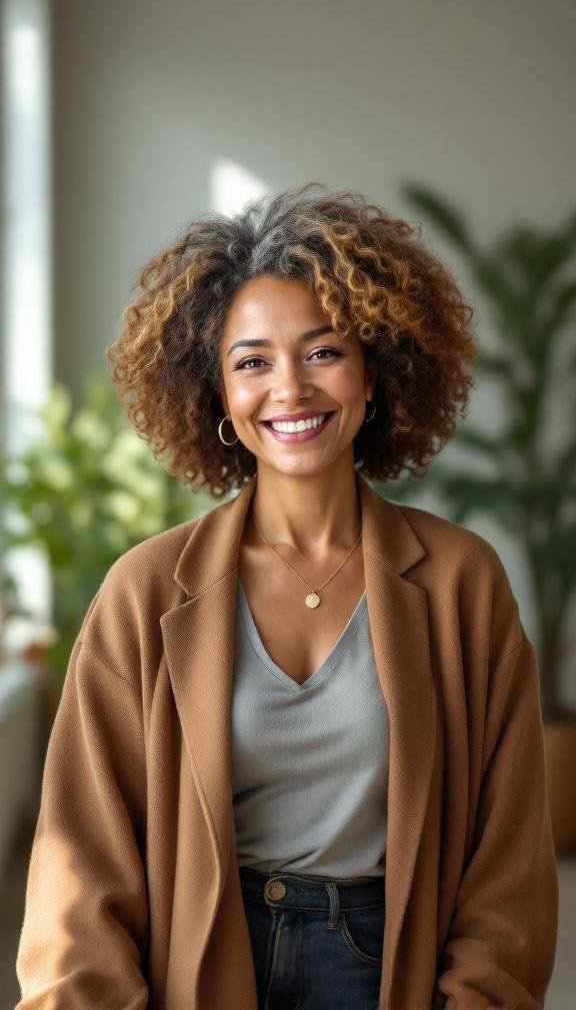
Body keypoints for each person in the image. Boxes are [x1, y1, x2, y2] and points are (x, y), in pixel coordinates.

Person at [16, 185, 558, 1009]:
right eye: (252, 362)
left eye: (322, 351)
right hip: (198, 967)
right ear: (220, 400)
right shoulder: (146, 592)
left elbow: (507, 865)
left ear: (373, 373)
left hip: (386, 974)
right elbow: (78, 871)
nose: (290, 388)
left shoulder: (461, 583)